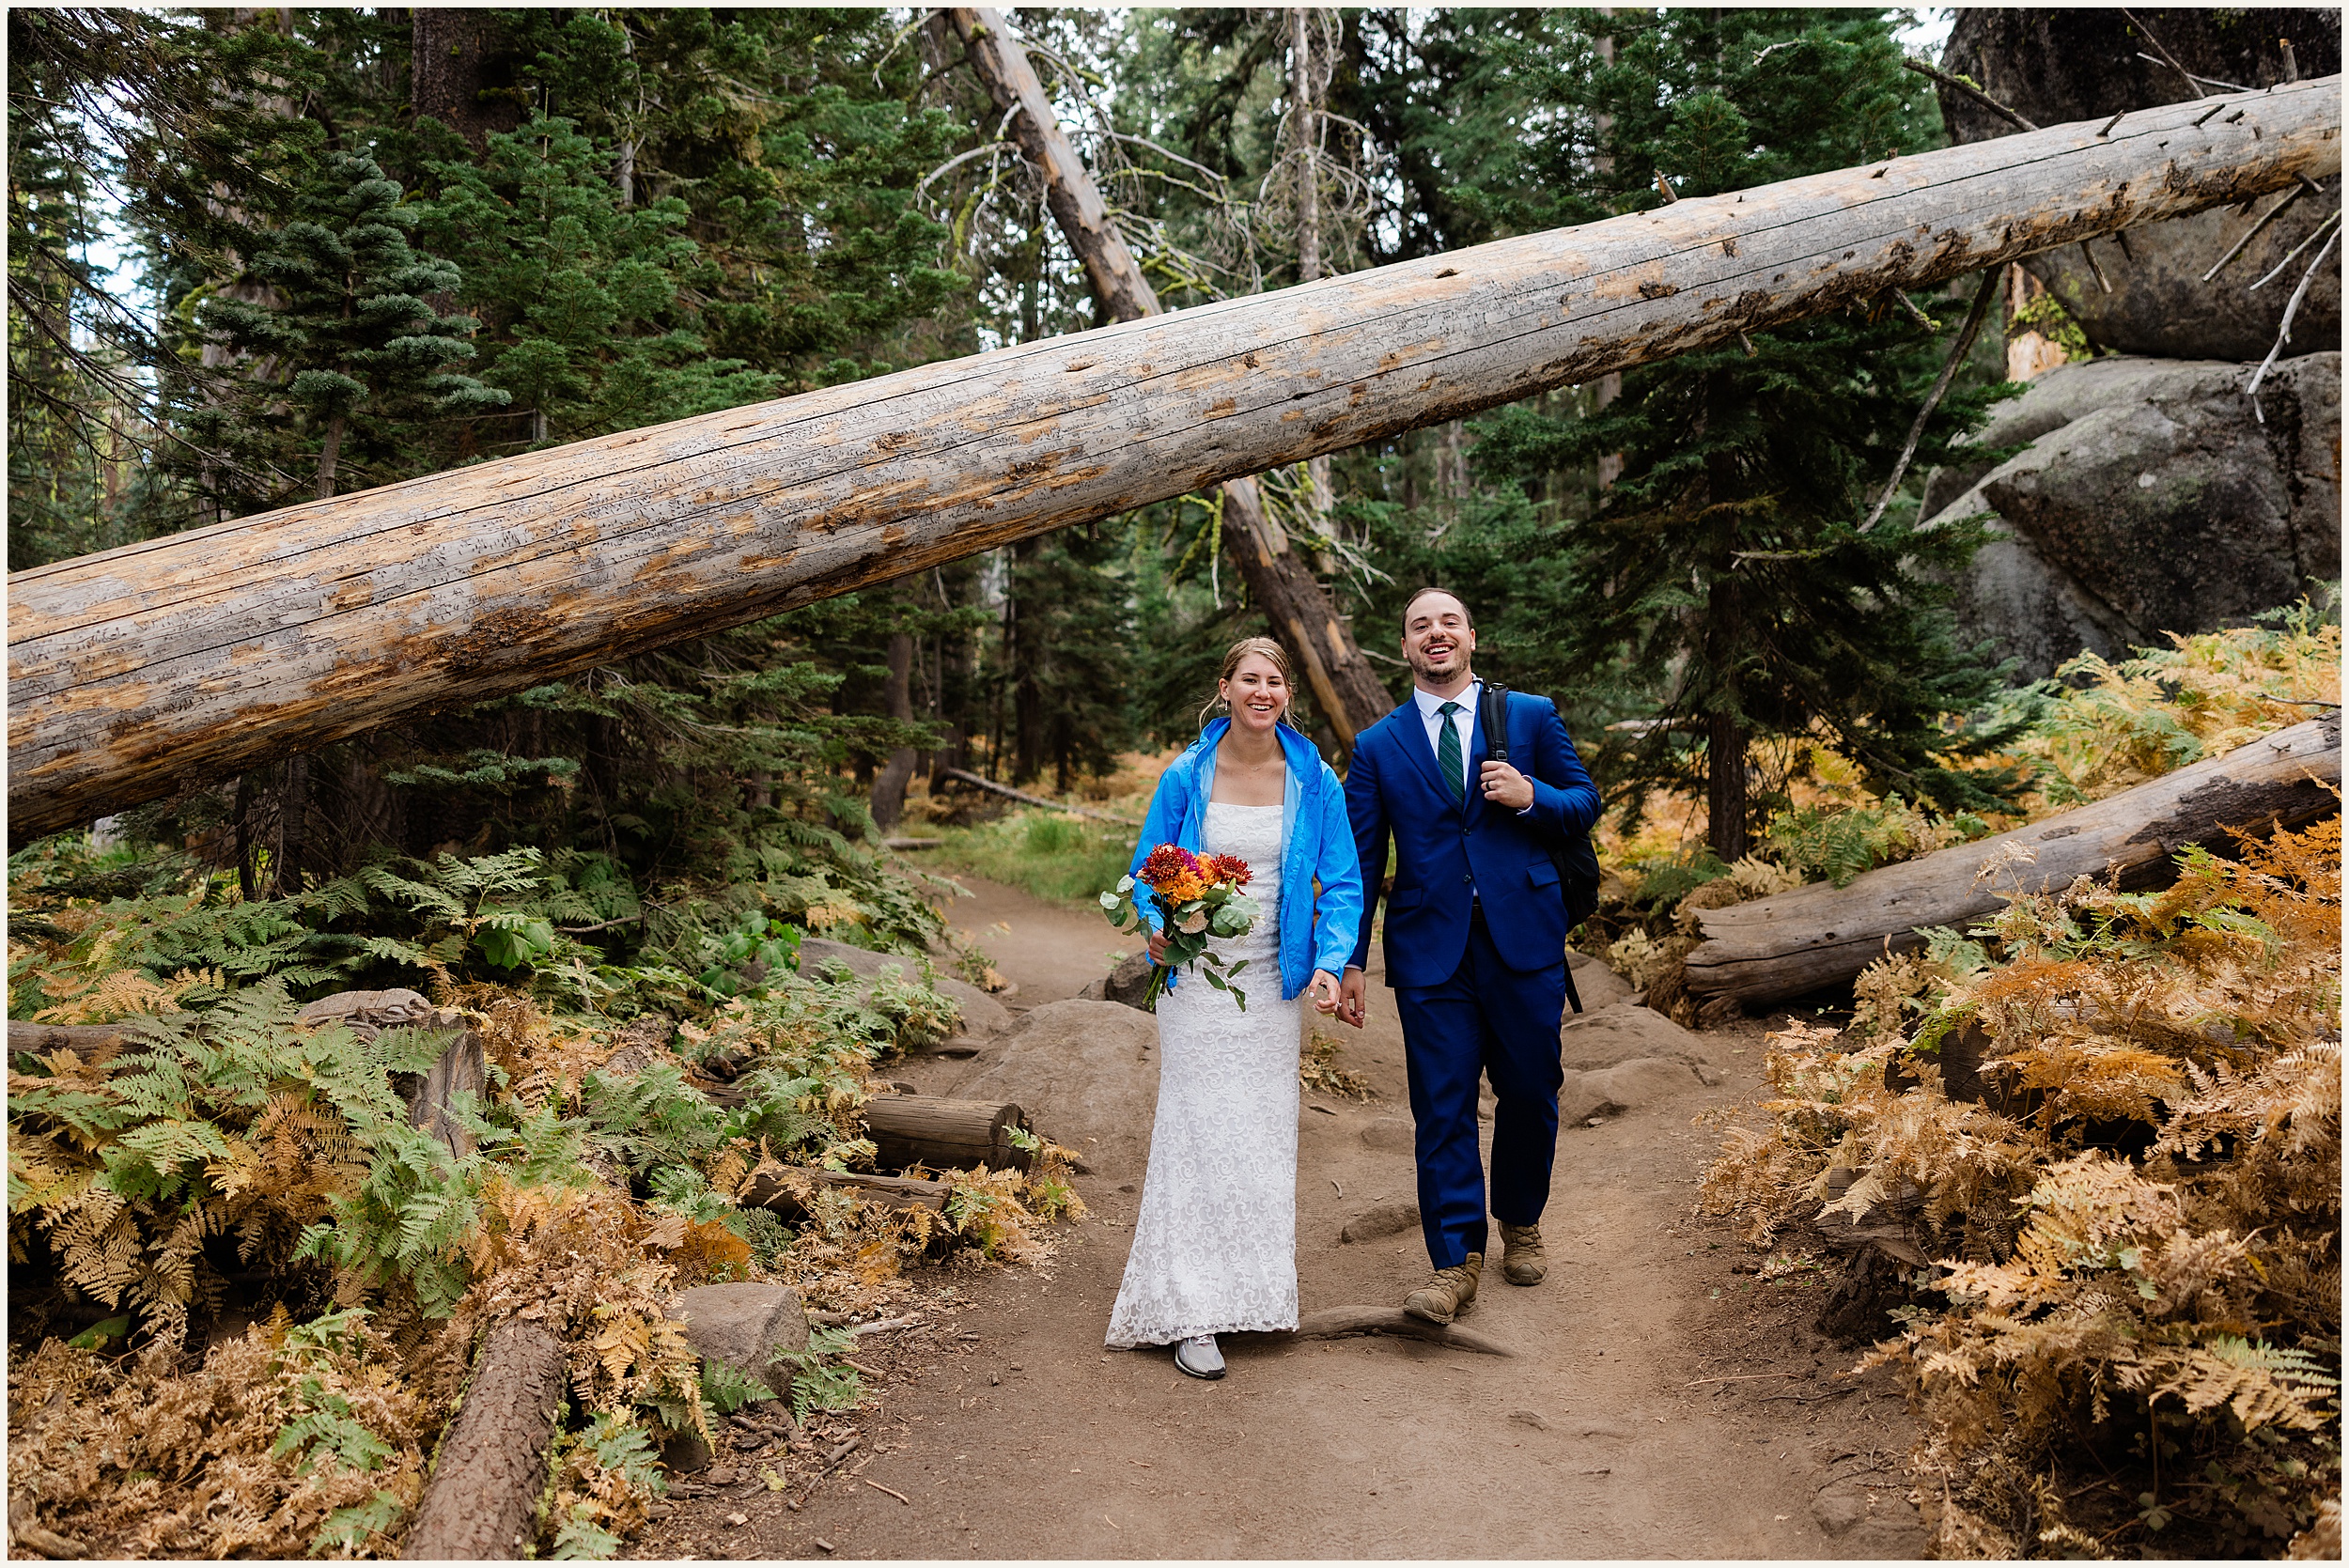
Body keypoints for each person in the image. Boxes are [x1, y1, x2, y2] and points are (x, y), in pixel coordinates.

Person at [1334, 588, 1601, 1324]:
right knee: (1441, 1106)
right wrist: (1351, 960)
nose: (1436, 633)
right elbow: (1361, 859)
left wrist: (1528, 793)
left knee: (1529, 1091)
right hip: (1430, 952)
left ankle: (1520, 1220)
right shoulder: (1379, 746)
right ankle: (1454, 1261)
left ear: (1472, 637)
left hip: (1525, 940)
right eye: (1420, 625)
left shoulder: (1529, 716)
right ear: (1406, 648)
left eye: (1448, 621)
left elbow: (1585, 802)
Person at [1105, 637, 1362, 1380]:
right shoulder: (1187, 773)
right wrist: (1156, 920)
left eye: (1275, 680)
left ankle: (1251, 1292)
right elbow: (1149, 869)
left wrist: (1326, 961)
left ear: (1287, 693)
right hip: (1198, 979)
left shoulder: (1315, 779)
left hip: (1273, 983)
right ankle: (1188, 1310)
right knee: (1195, 1125)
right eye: (1249, 678)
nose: (1263, 690)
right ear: (1225, 688)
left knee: (1256, 1130)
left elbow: (1342, 882)